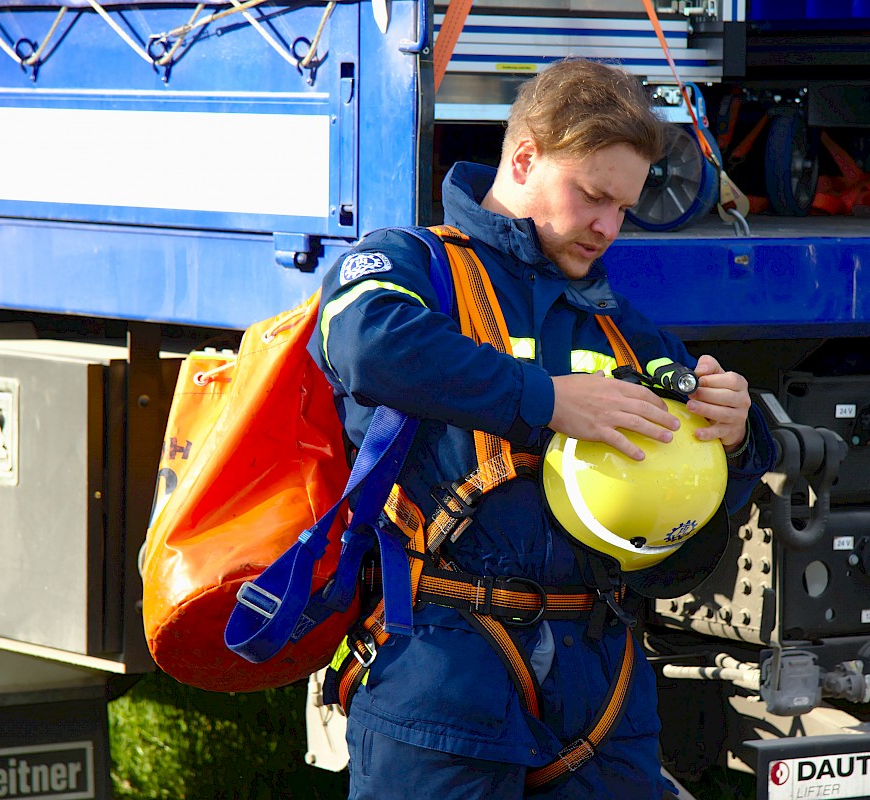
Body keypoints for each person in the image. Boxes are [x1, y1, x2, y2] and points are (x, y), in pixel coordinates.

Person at [310, 57, 774, 799]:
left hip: (605, 691)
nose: (607, 228)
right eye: (592, 196)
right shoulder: (410, 265)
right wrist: (550, 400)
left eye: (623, 208)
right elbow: (369, 346)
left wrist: (737, 433)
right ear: (523, 158)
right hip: (440, 672)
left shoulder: (626, 330)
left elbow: (700, 510)